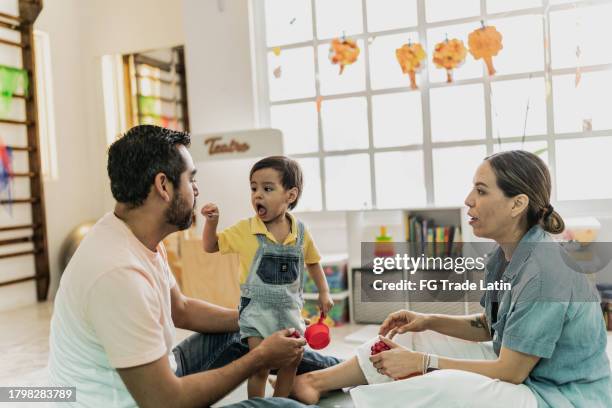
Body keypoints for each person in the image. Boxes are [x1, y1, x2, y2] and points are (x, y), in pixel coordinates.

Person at [288, 150, 612, 407]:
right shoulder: (506, 254)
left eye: (481, 191)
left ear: (517, 204)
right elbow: (491, 326)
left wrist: (424, 363)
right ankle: (316, 382)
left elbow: (511, 372)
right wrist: (427, 320)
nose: (469, 199)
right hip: (522, 372)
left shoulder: (546, 271)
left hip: (557, 396)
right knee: (412, 335)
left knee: (443, 384)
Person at [48, 125, 339, 408]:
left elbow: (182, 309)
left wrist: (260, 317)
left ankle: (344, 369)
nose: (197, 190)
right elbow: (164, 402)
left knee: (250, 328)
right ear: (163, 186)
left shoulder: (135, 234)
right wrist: (258, 357)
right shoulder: (117, 273)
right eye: (191, 179)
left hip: (160, 377)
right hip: (151, 398)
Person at [201, 156, 334, 399]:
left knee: (292, 362)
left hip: (289, 311)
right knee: (260, 364)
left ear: (290, 196)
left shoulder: (301, 232)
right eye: (253, 188)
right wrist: (212, 223)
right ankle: (257, 405)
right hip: (257, 312)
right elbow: (211, 246)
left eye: (267, 188)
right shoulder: (245, 229)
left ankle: (279, 403)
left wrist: (324, 292)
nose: (257, 195)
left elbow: (313, 262)